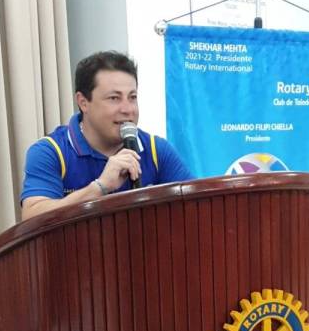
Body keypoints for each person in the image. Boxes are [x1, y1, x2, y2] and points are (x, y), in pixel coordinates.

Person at [21, 51, 193, 220]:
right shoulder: (50, 151)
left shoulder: (156, 150)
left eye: (132, 97)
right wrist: (100, 187)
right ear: (83, 102)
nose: (127, 109)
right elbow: (32, 217)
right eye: (114, 98)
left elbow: (195, 207)